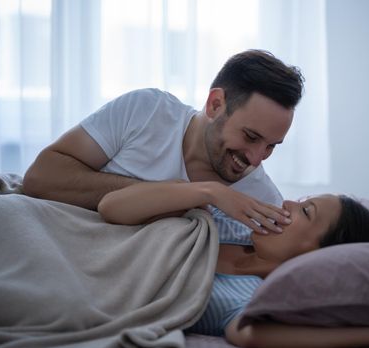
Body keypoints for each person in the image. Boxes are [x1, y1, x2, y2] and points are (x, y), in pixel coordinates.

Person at [97, 183, 369, 348]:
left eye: (305, 211)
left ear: (317, 256)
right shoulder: (233, 221)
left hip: (97, 293)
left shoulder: (254, 297)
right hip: (83, 246)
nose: (285, 203)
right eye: (301, 201)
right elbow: (111, 207)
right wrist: (207, 192)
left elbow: (249, 335)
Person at [22, 49, 305, 235]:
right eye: (250, 137)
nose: (256, 160)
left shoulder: (263, 203)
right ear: (215, 104)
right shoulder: (147, 111)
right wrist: (191, 193)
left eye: (271, 146)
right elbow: (40, 178)